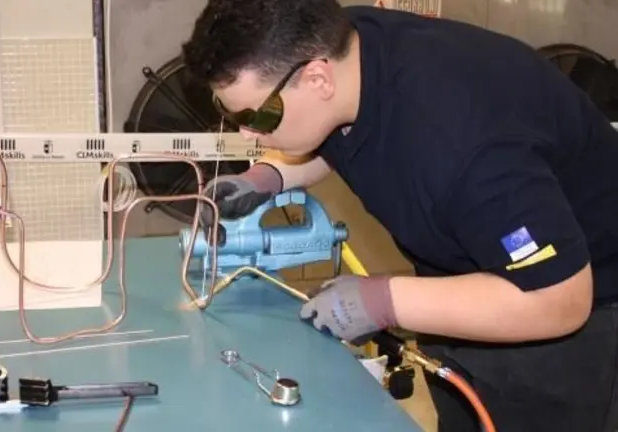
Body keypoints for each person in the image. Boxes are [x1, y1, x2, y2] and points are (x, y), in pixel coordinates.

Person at [181, 1, 618, 431]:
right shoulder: (351, 47)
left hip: (562, 320)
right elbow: (347, 131)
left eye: (256, 116)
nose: (247, 133)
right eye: (229, 113)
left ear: (317, 78)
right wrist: (269, 177)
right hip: (462, 279)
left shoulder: (469, 151)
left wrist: (385, 301)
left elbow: (560, 299)